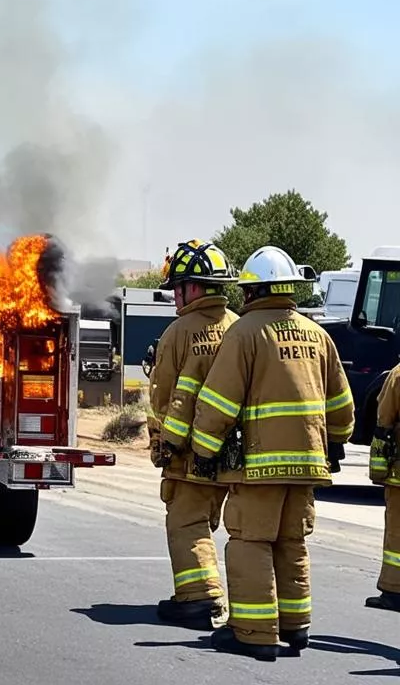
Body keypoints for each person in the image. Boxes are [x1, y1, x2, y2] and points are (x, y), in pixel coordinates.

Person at [190, 245, 354, 661]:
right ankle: (296, 627)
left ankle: (254, 633)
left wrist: (204, 450)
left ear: (251, 292)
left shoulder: (244, 333)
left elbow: (219, 402)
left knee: (250, 542)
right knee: (292, 543)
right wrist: (334, 443)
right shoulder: (318, 334)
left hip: (259, 465)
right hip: (308, 464)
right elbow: (342, 405)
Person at [147, 239, 239, 627]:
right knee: (217, 521)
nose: (174, 298)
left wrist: (160, 444)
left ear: (194, 288)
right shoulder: (239, 327)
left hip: (186, 453)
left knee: (186, 522)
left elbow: (162, 398)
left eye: (177, 289)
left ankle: (199, 598)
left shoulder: (179, 332)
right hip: (235, 455)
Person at [366, 360, 400, 611]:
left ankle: (393, 590)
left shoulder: (398, 375)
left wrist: (378, 470)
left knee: (397, 535)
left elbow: (384, 423)